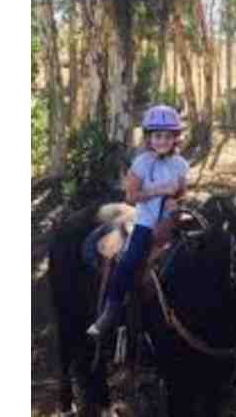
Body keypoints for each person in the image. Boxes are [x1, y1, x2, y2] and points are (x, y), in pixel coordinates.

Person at [87, 104, 189, 337]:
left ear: (176, 138)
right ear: (149, 138)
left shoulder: (181, 164)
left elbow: (182, 192)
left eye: (168, 136)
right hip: (146, 221)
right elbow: (131, 197)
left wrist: (178, 201)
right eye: (157, 136)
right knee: (129, 260)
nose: (162, 141)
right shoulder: (141, 163)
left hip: (171, 220)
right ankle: (110, 311)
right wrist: (159, 190)